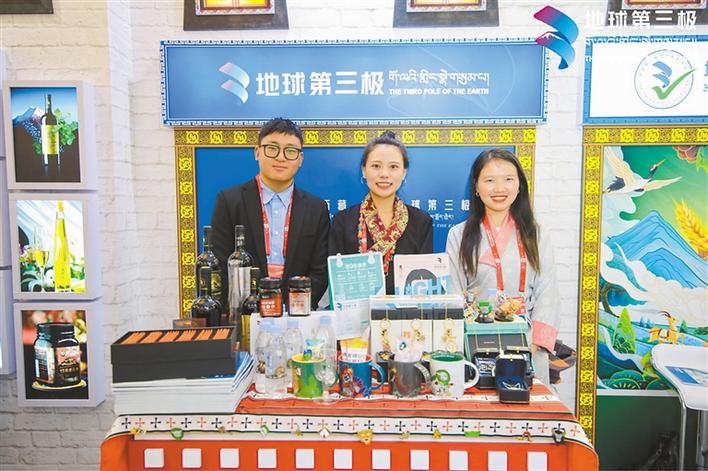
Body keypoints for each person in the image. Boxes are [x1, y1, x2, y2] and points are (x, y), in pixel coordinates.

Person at [445, 148, 560, 385]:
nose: (499, 188)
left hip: (527, 343)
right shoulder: (458, 235)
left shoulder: (536, 234)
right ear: (476, 187)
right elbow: (453, 294)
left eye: (508, 179)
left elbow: (548, 291)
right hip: (476, 343)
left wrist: (532, 345)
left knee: (525, 402)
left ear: (520, 186)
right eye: (489, 180)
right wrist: (462, 343)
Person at [211, 117, 330, 308]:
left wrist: (291, 307)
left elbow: (319, 271)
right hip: (244, 312)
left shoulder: (316, 208)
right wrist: (248, 307)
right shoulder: (229, 202)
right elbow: (221, 265)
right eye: (272, 148)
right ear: (257, 152)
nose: (281, 157)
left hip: (297, 313)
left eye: (290, 151)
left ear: (300, 159)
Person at [329, 131, 433, 294]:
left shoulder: (421, 221)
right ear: (364, 170)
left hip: (406, 309)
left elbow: (424, 281)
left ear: (404, 172)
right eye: (376, 166)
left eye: (393, 167)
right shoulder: (342, 221)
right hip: (357, 308)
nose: (384, 174)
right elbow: (337, 281)